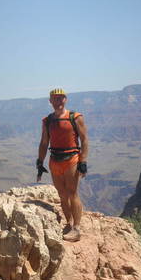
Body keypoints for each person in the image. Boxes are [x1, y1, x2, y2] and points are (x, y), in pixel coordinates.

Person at [36, 88, 88, 242]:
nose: (58, 101)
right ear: (50, 101)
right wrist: (40, 162)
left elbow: (84, 140)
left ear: (66, 100)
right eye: (55, 99)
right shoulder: (47, 121)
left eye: (61, 98)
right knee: (62, 195)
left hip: (71, 158)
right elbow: (44, 142)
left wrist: (83, 161)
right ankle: (69, 223)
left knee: (72, 193)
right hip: (54, 160)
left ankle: (77, 229)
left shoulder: (75, 117)